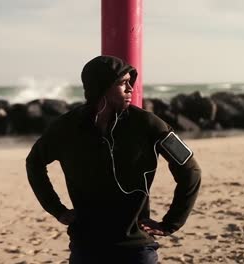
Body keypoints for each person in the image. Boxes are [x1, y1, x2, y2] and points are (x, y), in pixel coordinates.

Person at [26, 55, 201, 263]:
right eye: (122, 83)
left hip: (136, 247)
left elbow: (190, 170)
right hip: (87, 245)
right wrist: (57, 209)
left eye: (130, 82)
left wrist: (171, 223)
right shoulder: (66, 128)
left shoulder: (148, 124)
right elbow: (34, 163)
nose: (130, 89)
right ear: (100, 87)